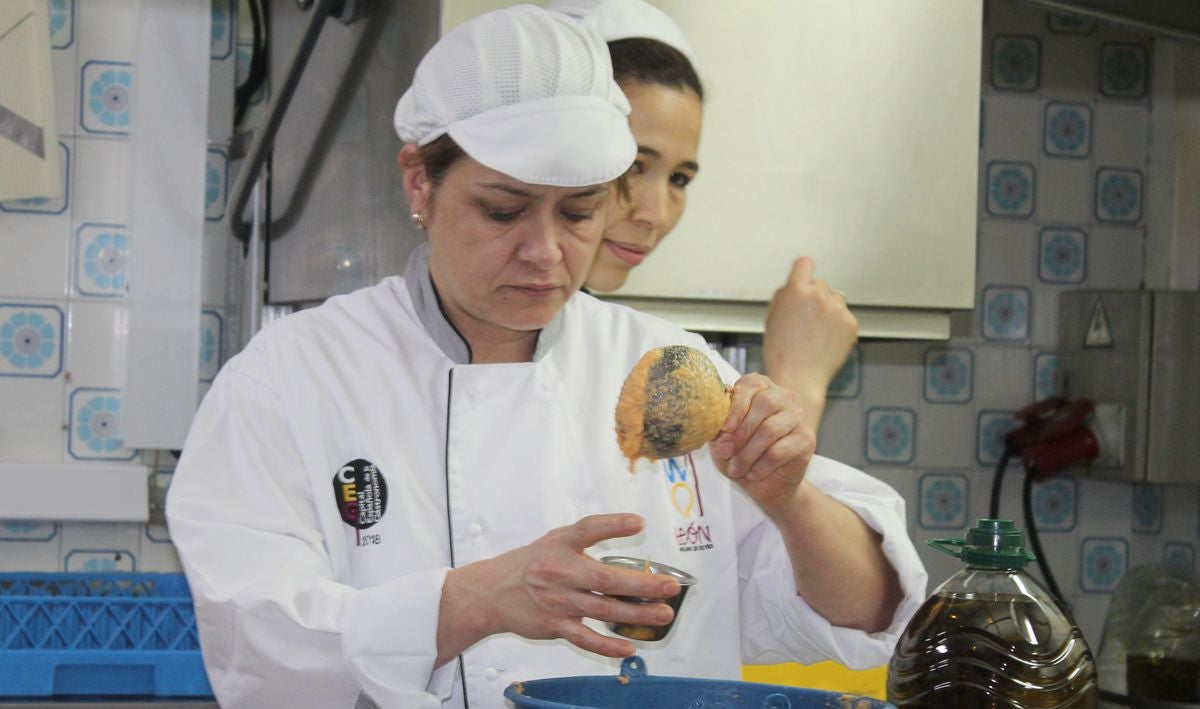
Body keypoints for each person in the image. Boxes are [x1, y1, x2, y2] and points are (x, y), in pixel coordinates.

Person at [166, 6, 926, 708]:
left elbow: (864, 612)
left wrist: (791, 495)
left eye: (580, 212)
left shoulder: (668, 371)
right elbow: (254, 642)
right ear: (418, 183)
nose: (546, 251)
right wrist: (475, 599)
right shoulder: (292, 379)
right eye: (503, 210)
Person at [550, 0, 859, 431]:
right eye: (634, 165)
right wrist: (799, 382)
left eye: (679, 179)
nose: (655, 215)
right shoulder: (523, 347)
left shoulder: (630, 357)